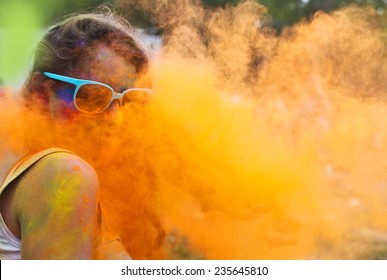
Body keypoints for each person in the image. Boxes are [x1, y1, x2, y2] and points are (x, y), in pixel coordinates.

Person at [0, 9, 154, 259]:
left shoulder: (46, 174)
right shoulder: (64, 174)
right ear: (42, 94)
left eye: (130, 100)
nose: (117, 120)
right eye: (93, 96)